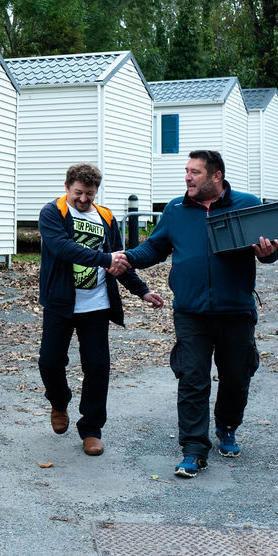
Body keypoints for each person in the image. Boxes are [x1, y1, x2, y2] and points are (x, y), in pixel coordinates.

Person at [115, 150, 278, 478]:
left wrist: (268, 253)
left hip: (236, 311)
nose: (187, 177)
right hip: (190, 311)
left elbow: (270, 252)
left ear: (216, 176)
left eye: (195, 172)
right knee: (192, 378)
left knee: (237, 377)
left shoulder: (246, 204)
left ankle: (227, 426)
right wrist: (129, 258)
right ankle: (193, 449)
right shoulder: (176, 209)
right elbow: (155, 247)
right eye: (187, 171)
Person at [38, 163, 164, 456]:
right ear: (67, 187)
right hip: (60, 302)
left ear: (96, 192)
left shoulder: (105, 217)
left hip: (96, 305)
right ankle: (59, 401)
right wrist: (105, 258)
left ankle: (91, 429)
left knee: (97, 368)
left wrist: (142, 291)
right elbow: (62, 247)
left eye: (90, 194)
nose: (83, 199)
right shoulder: (53, 212)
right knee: (49, 362)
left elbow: (119, 262)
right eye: (78, 193)